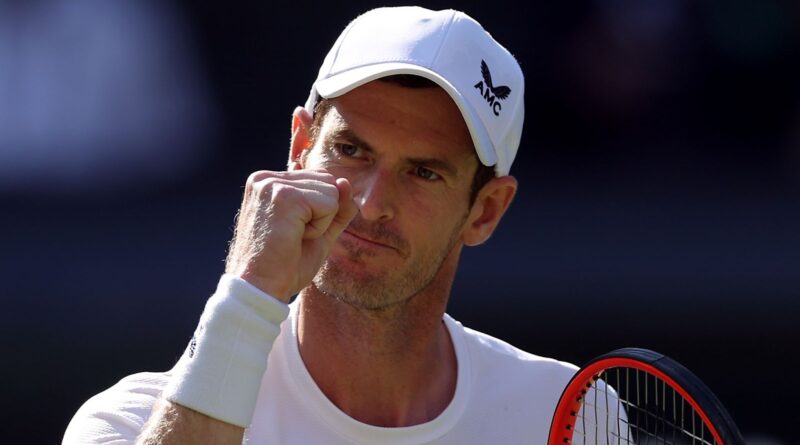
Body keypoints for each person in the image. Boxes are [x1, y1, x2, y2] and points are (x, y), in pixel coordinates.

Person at [63, 6, 586, 444]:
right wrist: (248, 296)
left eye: (423, 172)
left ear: (486, 210)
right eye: (351, 150)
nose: (371, 202)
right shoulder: (126, 422)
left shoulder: (572, 417)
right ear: (299, 147)